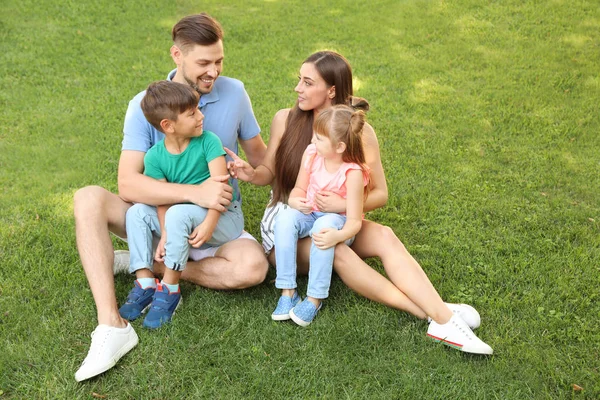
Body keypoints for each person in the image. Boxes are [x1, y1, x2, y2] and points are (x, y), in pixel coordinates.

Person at [226, 51, 493, 354]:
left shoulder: (359, 133)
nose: (297, 88)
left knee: (384, 235)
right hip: (288, 225)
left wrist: (339, 205)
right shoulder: (284, 119)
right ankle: (434, 315)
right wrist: (251, 173)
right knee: (335, 248)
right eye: (299, 80)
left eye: (307, 82)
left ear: (332, 91)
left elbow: (379, 194)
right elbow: (268, 174)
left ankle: (439, 312)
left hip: (337, 216)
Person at [73, 13, 268, 382]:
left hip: (214, 223)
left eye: (219, 61)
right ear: (176, 55)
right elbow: (129, 185)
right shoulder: (145, 106)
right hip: (159, 219)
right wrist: (194, 193)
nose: (214, 71)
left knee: (252, 269)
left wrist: (292, 178)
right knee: (87, 198)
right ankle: (111, 326)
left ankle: (145, 264)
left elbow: (261, 161)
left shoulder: (235, 92)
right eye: (204, 63)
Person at [119, 80, 244, 330]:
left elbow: (222, 191)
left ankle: (171, 289)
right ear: (168, 126)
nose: (201, 116)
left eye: (199, 109)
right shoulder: (155, 156)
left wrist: (209, 224)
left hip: (223, 219)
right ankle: (145, 283)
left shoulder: (209, 142)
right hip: (182, 219)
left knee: (178, 213)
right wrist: (165, 233)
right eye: (192, 113)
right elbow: (163, 199)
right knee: (137, 212)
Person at [269, 105, 370, 326]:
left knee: (323, 225)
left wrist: (338, 236)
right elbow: (298, 190)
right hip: (310, 213)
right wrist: (296, 201)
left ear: (340, 146)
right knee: (285, 217)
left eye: (320, 138)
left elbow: (354, 221)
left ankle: (315, 298)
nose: (313, 141)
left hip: (338, 223)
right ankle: (288, 291)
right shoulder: (312, 154)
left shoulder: (352, 173)